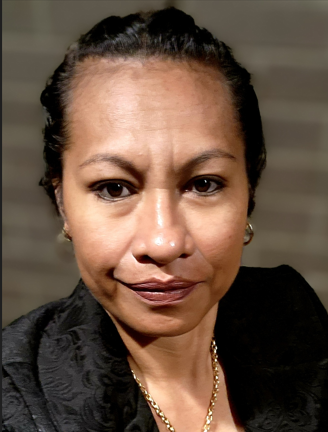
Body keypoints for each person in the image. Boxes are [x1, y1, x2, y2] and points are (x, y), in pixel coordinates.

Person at [2, 7, 328, 432]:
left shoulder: (290, 314)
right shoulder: (18, 399)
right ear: (61, 199)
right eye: (114, 188)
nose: (163, 242)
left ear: (250, 189)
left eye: (204, 184)